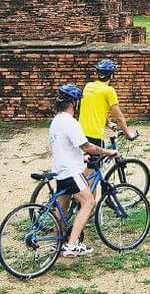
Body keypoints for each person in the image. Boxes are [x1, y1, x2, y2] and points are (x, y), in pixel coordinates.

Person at [49, 84, 118, 257]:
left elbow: (65, 147)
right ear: (74, 103)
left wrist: (81, 158)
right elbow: (87, 146)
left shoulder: (56, 120)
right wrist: (107, 151)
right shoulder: (70, 122)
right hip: (71, 172)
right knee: (88, 202)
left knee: (62, 205)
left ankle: (56, 243)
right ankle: (72, 246)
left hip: (59, 170)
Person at [79, 59, 136, 180]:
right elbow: (119, 116)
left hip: (80, 131)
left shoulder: (88, 86)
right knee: (93, 172)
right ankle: (88, 199)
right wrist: (128, 134)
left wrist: (108, 123)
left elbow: (96, 107)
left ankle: (78, 190)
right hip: (93, 135)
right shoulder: (109, 91)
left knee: (86, 166)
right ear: (112, 75)